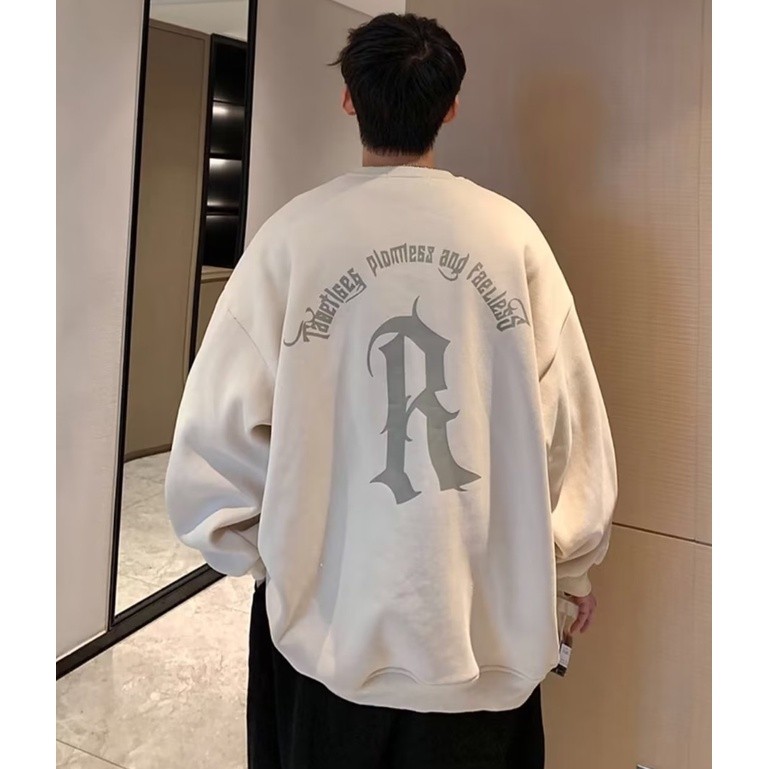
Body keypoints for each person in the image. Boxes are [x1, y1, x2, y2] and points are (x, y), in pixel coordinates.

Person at [165, 12, 617, 769]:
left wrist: (275, 555)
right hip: (484, 648)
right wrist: (570, 572)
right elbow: (568, 433)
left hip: (325, 644)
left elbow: (214, 443)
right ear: (451, 106)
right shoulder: (513, 240)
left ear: (349, 99)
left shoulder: (289, 241)